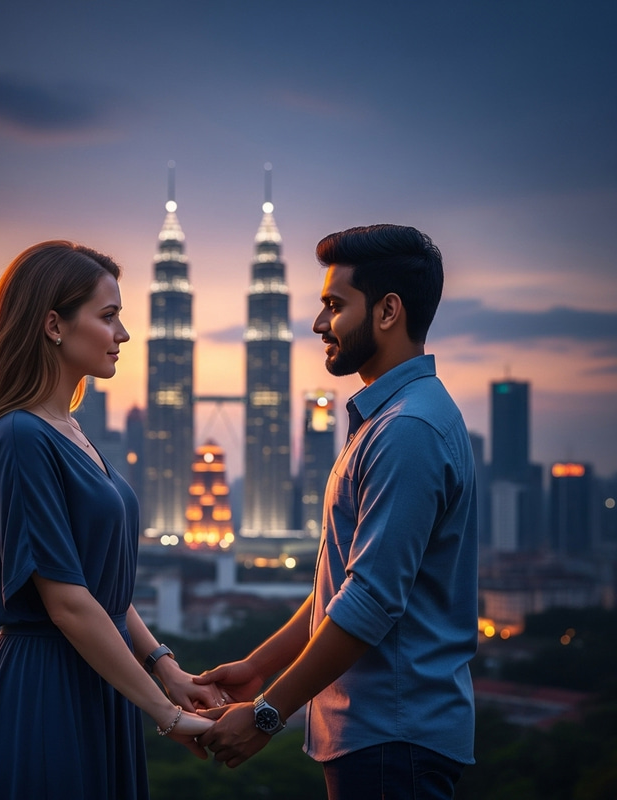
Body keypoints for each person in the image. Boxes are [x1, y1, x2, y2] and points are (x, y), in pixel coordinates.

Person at [196, 224, 478, 799]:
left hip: (392, 738)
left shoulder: (407, 431)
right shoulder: (391, 418)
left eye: (334, 305)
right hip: (380, 737)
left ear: (388, 311)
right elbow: (345, 584)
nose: (320, 324)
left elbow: (372, 600)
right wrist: (258, 668)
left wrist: (268, 712)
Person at [0, 240, 215, 800]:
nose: (124, 334)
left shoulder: (70, 430)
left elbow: (99, 585)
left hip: (102, 681)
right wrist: (166, 714)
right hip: (46, 689)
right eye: (109, 316)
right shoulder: (21, 436)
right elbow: (66, 602)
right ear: (53, 325)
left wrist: (166, 667)